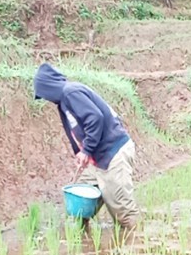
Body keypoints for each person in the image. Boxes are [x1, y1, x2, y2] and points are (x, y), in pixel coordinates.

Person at [33, 62, 142, 234]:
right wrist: (80, 154)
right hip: (97, 158)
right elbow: (76, 131)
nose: (45, 99)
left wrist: (86, 150)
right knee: (79, 205)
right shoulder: (63, 103)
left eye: (43, 94)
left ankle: (136, 245)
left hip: (112, 153)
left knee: (122, 211)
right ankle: (84, 243)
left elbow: (95, 118)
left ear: (48, 88)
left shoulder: (71, 93)